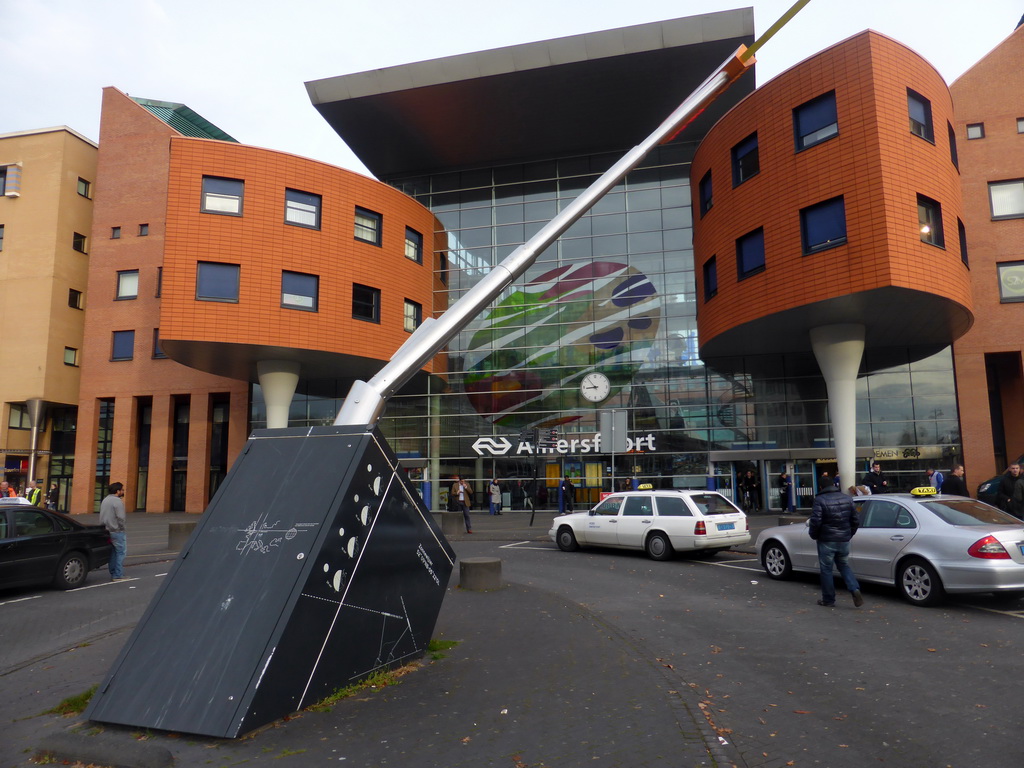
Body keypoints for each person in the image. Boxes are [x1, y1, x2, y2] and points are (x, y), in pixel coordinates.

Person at [808, 484, 864, 608]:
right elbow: (855, 520)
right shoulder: (847, 499)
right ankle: (854, 588)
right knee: (843, 565)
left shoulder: (820, 500)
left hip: (826, 539)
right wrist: (849, 534)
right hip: (844, 539)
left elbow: (815, 521)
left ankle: (828, 599)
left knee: (826, 569)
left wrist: (814, 535)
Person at [100, 481, 128, 581]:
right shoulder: (117, 501)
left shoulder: (105, 500)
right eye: (122, 490)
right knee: (121, 552)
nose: (123, 491)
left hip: (106, 530)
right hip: (116, 530)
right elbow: (121, 517)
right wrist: (122, 528)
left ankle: (113, 572)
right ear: (118, 491)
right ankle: (118, 574)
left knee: (113, 553)